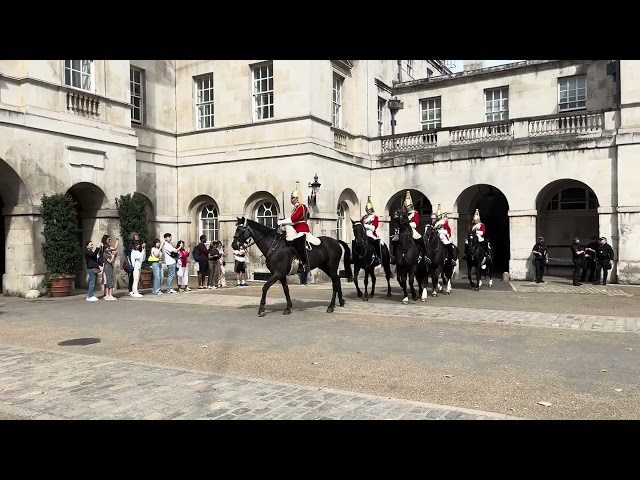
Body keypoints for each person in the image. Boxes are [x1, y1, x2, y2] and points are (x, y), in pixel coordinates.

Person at [277, 181, 311, 272]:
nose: (292, 200)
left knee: (298, 241)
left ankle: (304, 263)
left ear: (297, 198)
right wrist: (283, 223)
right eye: (292, 198)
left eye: (293, 198)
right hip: (296, 228)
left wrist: (282, 221)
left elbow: (294, 219)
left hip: (302, 228)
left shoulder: (302, 207)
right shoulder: (295, 208)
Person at [390, 190, 428, 263]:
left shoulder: (415, 213)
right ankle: (394, 256)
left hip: (412, 229)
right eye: (406, 206)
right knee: (394, 240)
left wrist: (407, 224)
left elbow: (416, 223)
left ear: (411, 205)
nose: (407, 207)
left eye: (408, 205)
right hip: (402, 230)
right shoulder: (402, 213)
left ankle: (424, 255)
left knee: (420, 239)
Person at [361, 196, 383, 262]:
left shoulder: (374, 217)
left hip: (371, 233)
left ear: (371, 210)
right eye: (367, 210)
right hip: (363, 233)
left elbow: (374, 227)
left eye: (369, 210)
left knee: (376, 243)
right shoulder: (363, 218)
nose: (368, 211)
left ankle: (377, 256)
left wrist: (365, 225)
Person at [125, 232, 140, 297]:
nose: (137, 237)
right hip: (131, 261)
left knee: (134, 277)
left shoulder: (135, 243)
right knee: (131, 276)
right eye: (136, 236)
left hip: (135, 261)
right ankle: (130, 290)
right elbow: (129, 251)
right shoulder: (130, 244)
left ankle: (134, 289)